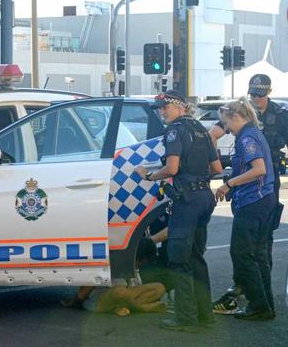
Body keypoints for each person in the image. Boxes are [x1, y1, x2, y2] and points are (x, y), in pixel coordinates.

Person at [135, 90, 222, 332]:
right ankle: (206, 315)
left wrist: (149, 175)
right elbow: (216, 167)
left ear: (180, 106)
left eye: (166, 107)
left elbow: (171, 168)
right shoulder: (201, 129)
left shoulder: (174, 131)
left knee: (179, 259)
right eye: (160, 108)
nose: (163, 112)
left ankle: (186, 319)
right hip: (205, 196)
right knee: (196, 257)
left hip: (188, 200)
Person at [209, 74, 286, 314]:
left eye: (227, 123)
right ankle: (265, 305)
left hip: (254, 199)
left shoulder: (247, 137)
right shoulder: (253, 131)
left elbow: (259, 169)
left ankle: (257, 304)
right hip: (264, 198)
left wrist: (228, 184)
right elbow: (213, 134)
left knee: (242, 253)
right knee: (259, 253)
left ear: (236, 117)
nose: (227, 130)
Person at [61, 238, 166, 316]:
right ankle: (142, 307)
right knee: (120, 292)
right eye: (139, 262)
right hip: (99, 302)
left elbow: (134, 291)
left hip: (125, 299)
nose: (139, 265)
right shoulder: (111, 261)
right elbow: (87, 287)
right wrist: (74, 302)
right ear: (135, 256)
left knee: (159, 287)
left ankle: (125, 307)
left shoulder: (134, 267)